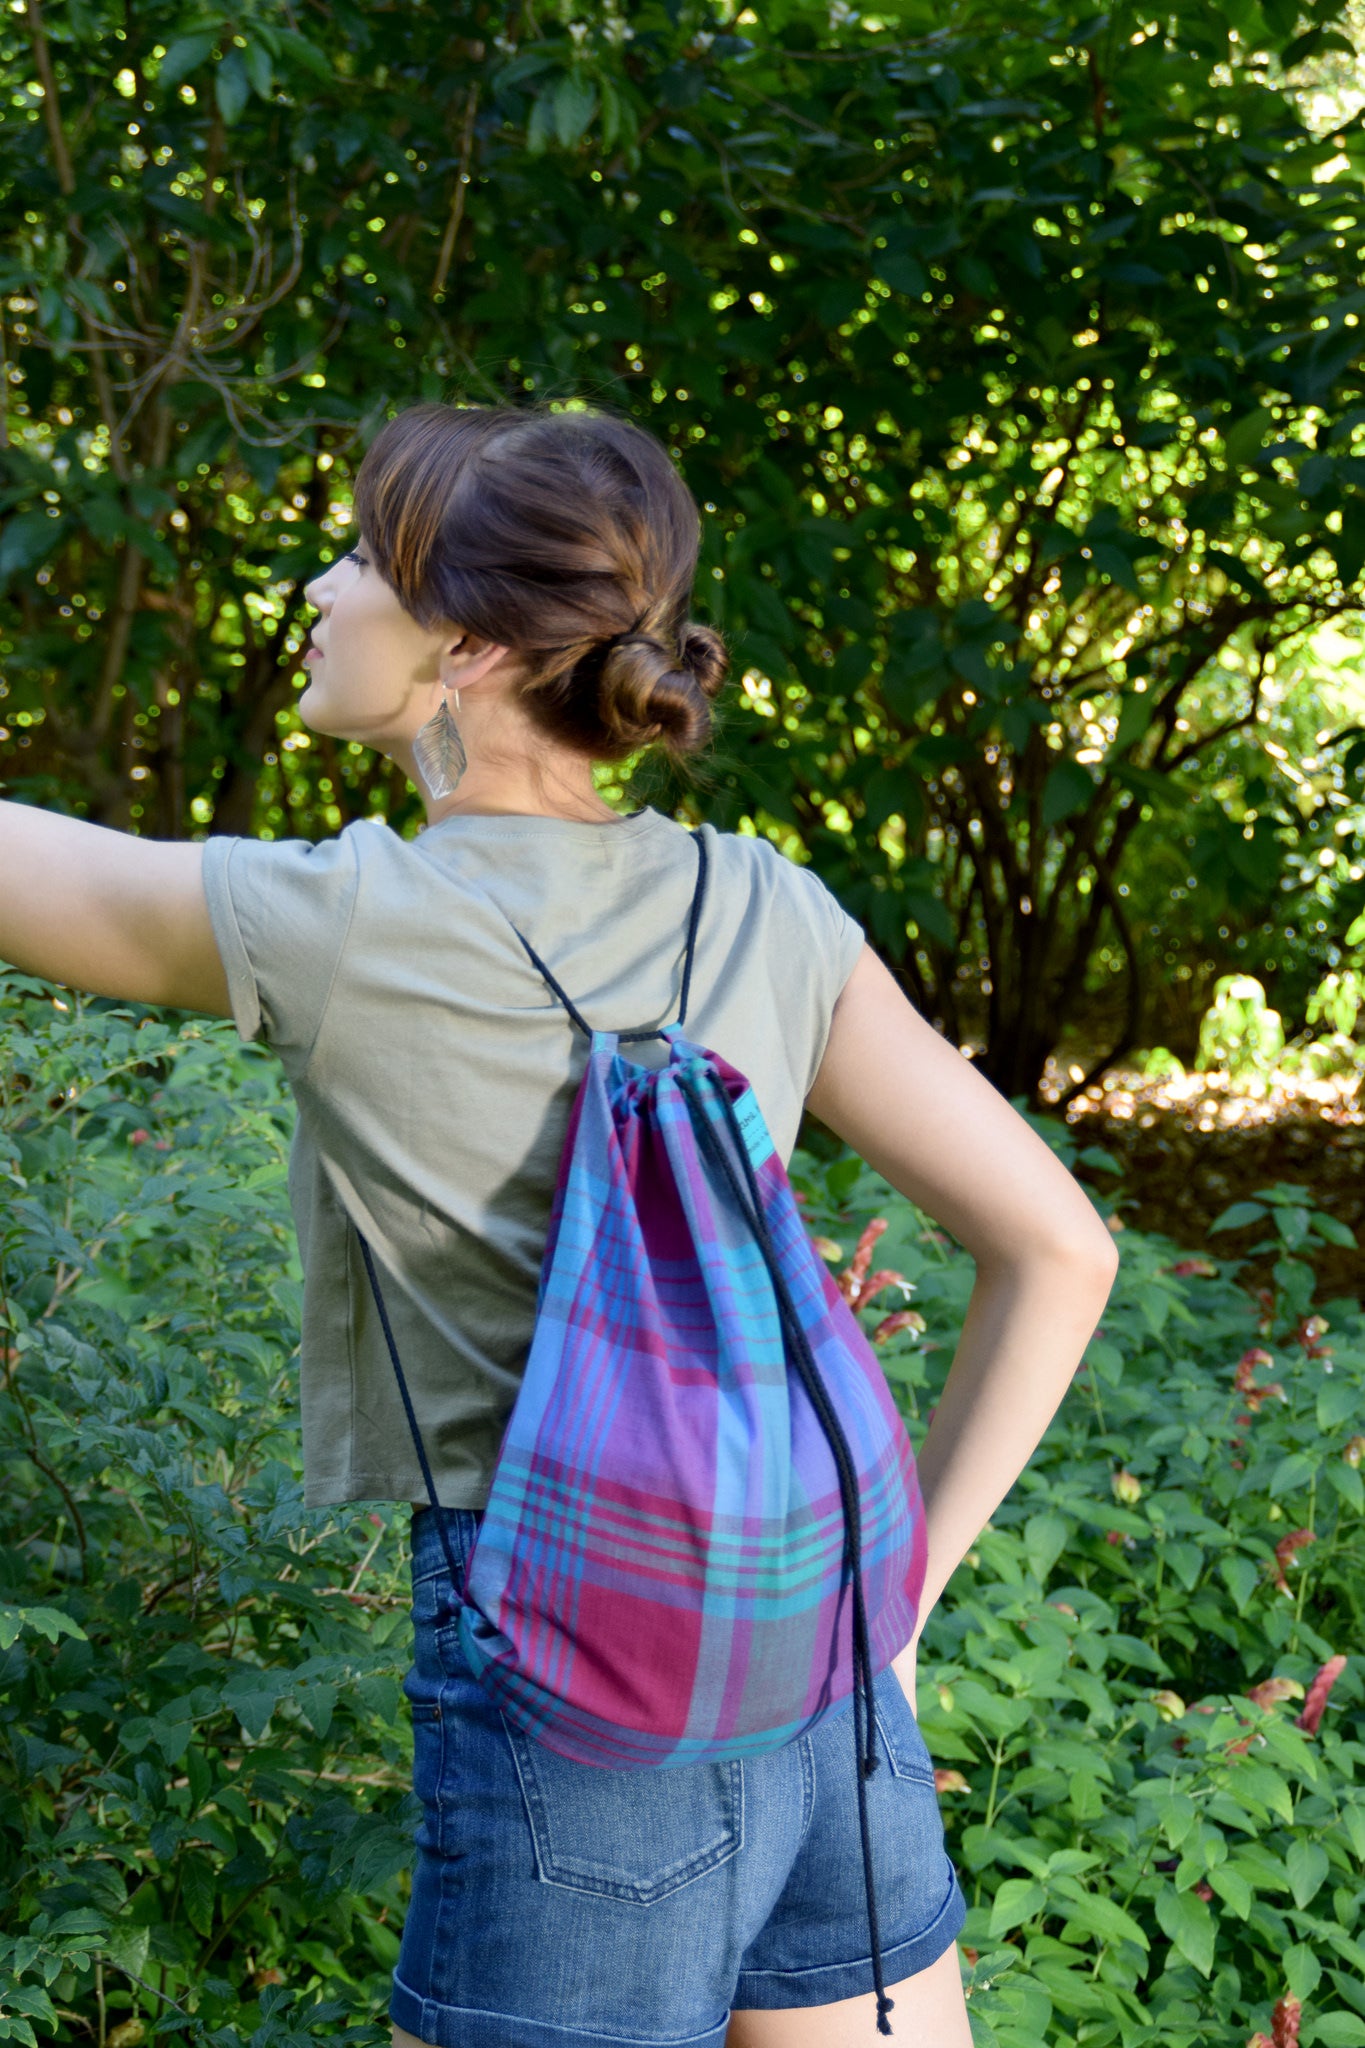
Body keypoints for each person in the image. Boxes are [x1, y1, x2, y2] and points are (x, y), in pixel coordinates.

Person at [0, 399, 1119, 2048]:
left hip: (575, 1669)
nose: (315, 588)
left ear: (458, 644)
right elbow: (1063, 1249)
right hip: (814, 1646)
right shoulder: (766, 900)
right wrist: (896, 1605)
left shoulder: (342, 920)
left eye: (357, 556)